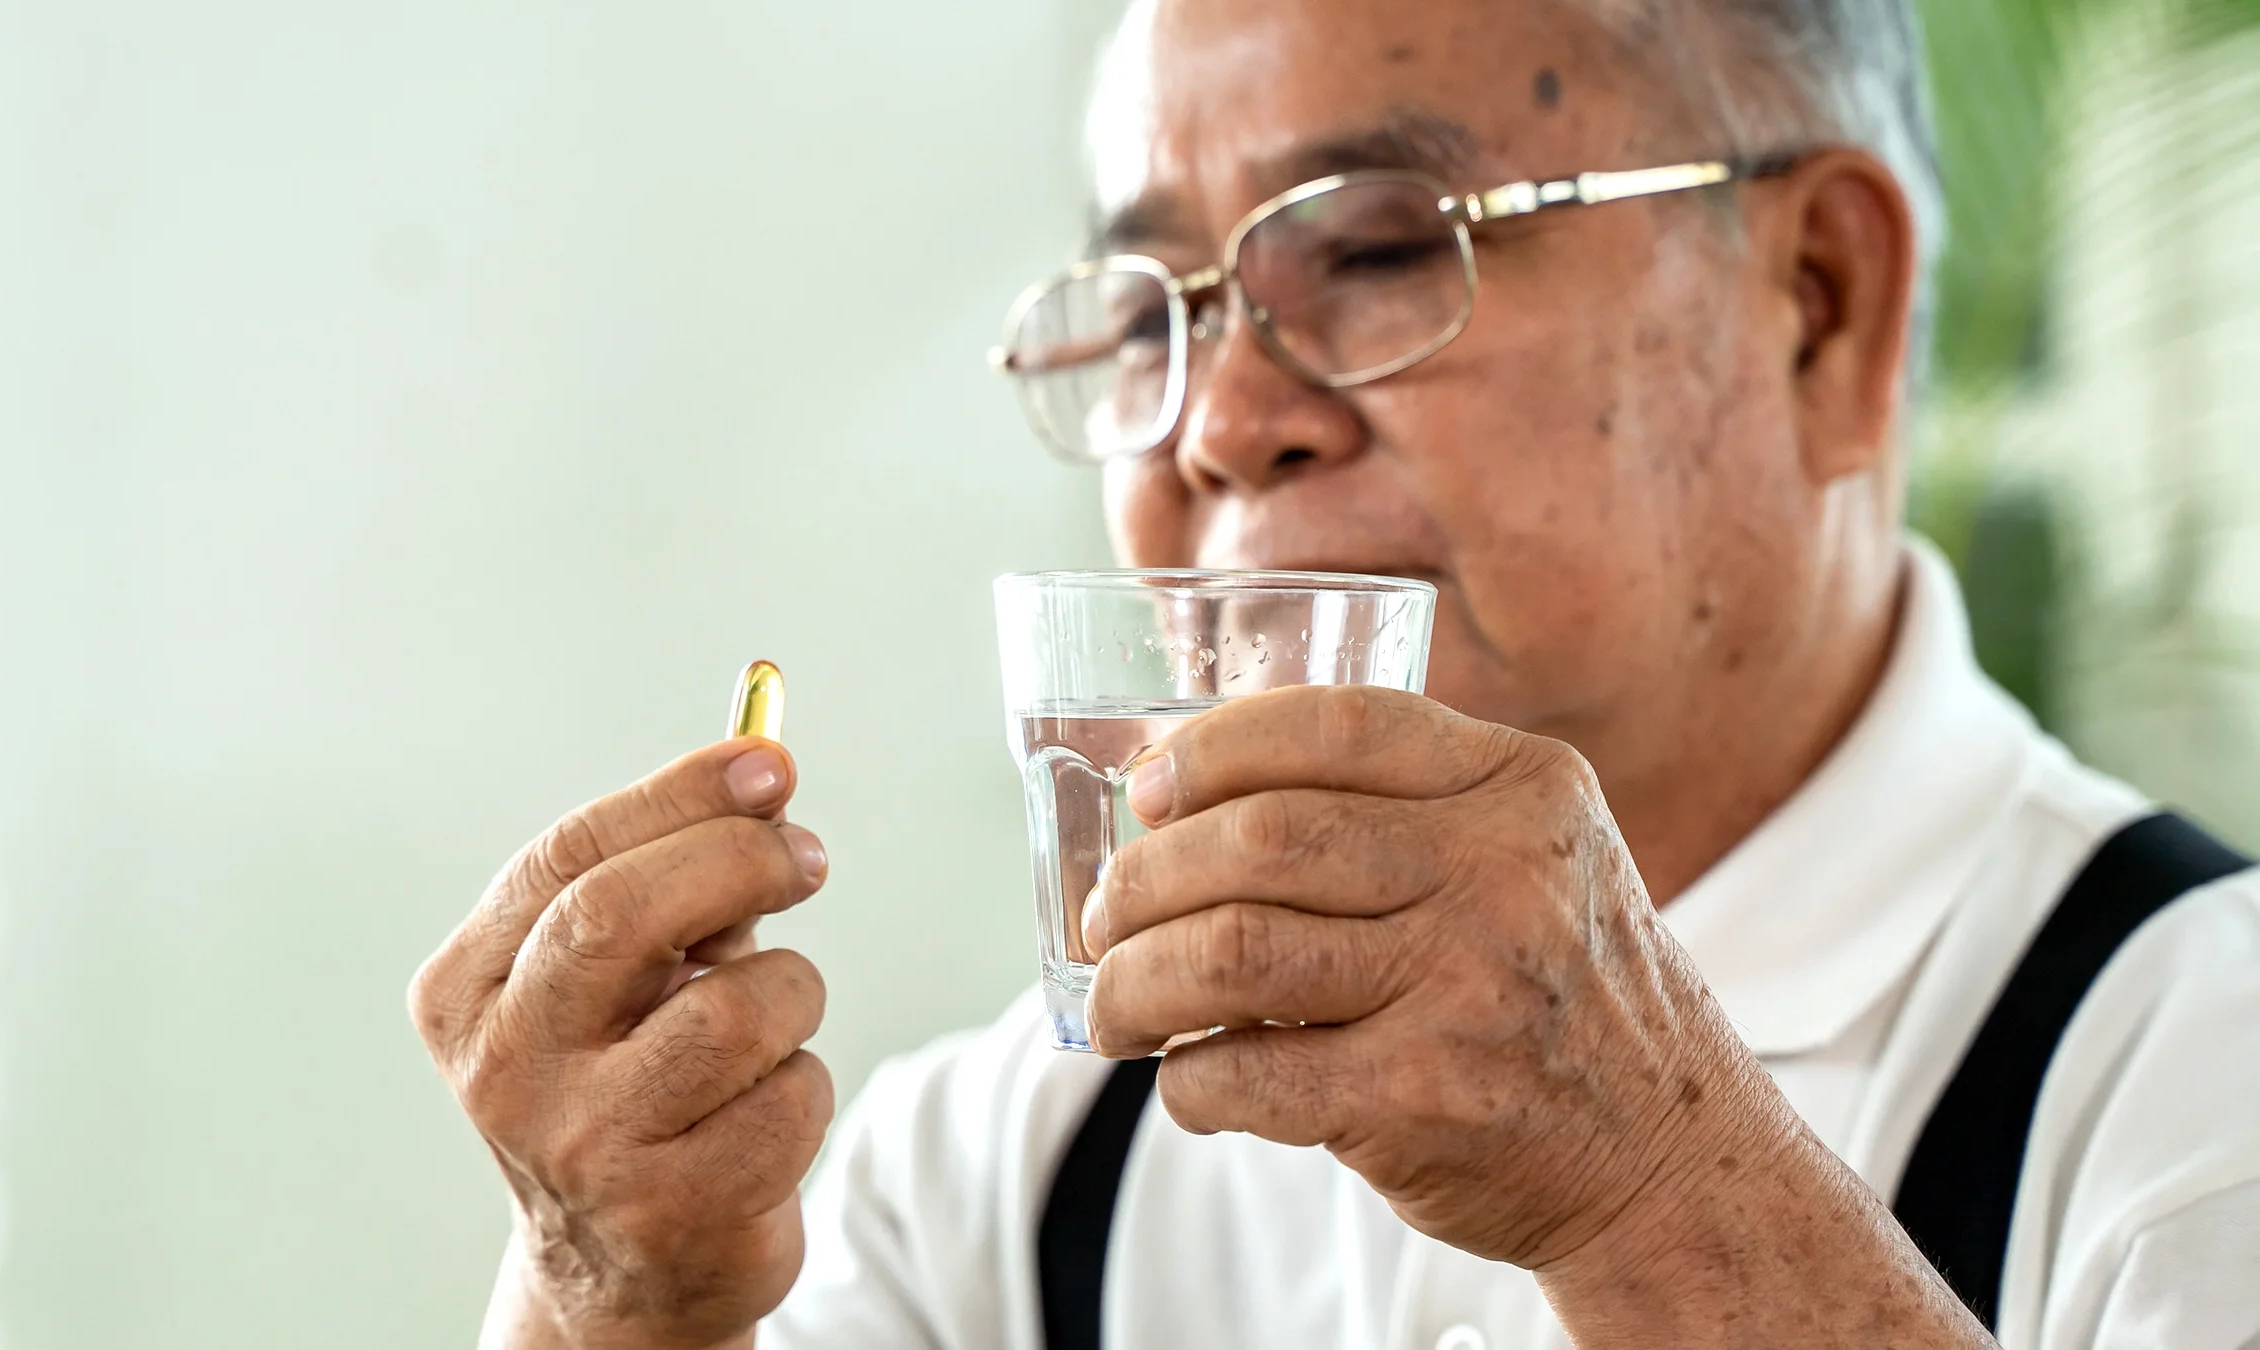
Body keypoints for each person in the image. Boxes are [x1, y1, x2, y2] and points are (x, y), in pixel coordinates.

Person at [406, 0, 2260, 1346]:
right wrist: (603, 1305)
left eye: (1375, 251)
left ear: (1821, 305)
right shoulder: (1009, 1165)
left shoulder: (2196, 1074)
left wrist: (1658, 1190)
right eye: (1148, 311)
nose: (1217, 418)